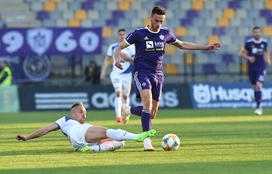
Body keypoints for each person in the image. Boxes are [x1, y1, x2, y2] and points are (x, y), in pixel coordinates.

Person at [114, 6, 221, 151]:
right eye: (156, 20)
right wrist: (117, 60)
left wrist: (205, 47)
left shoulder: (166, 33)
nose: (158, 24)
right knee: (147, 103)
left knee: (152, 113)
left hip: (158, 75)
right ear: (151, 17)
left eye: (161, 21)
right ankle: (147, 140)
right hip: (142, 72)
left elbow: (182, 45)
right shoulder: (139, 33)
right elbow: (118, 48)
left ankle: (128, 110)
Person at [16, 102, 156, 152]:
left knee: (120, 142)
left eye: (85, 113)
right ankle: (138, 137)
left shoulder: (80, 125)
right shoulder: (66, 120)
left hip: (79, 143)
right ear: (74, 112)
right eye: (82, 112)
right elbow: (45, 129)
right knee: (109, 131)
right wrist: (28, 137)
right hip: (79, 134)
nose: (84, 115)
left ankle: (91, 150)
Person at [100, 28, 135, 123]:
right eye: (120, 34)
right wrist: (103, 72)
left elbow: (134, 59)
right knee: (118, 93)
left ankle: (126, 115)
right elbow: (107, 60)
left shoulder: (131, 47)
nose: (122, 36)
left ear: (126, 35)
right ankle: (118, 116)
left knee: (125, 96)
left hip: (127, 74)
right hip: (115, 74)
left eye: (123, 34)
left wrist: (125, 56)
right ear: (117, 36)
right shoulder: (113, 47)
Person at [240, 26, 271, 115]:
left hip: (261, 67)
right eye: (255, 32)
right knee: (255, 87)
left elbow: (266, 51)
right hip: (252, 68)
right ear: (252, 33)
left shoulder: (264, 42)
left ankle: (258, 107)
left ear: (261, 33)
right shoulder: (248, 43)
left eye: (258, 32)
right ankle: (258, 104)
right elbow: (241, 53)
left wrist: (268, 59)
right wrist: (248, 57)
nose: (257, 33)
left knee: (258, 85)